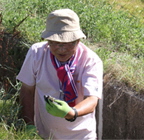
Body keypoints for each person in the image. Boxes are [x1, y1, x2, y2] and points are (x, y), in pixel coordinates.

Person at [17, 8, 103, 139]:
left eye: (68, 43)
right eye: (56, 43)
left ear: (78, 40)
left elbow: (92, 100)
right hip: (46, 133)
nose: (62, 49)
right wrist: (29, 125)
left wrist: (72, 112)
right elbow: (27, 90)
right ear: (48, 41)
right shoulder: (37, 53)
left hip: (81, 135)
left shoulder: (90, 60)